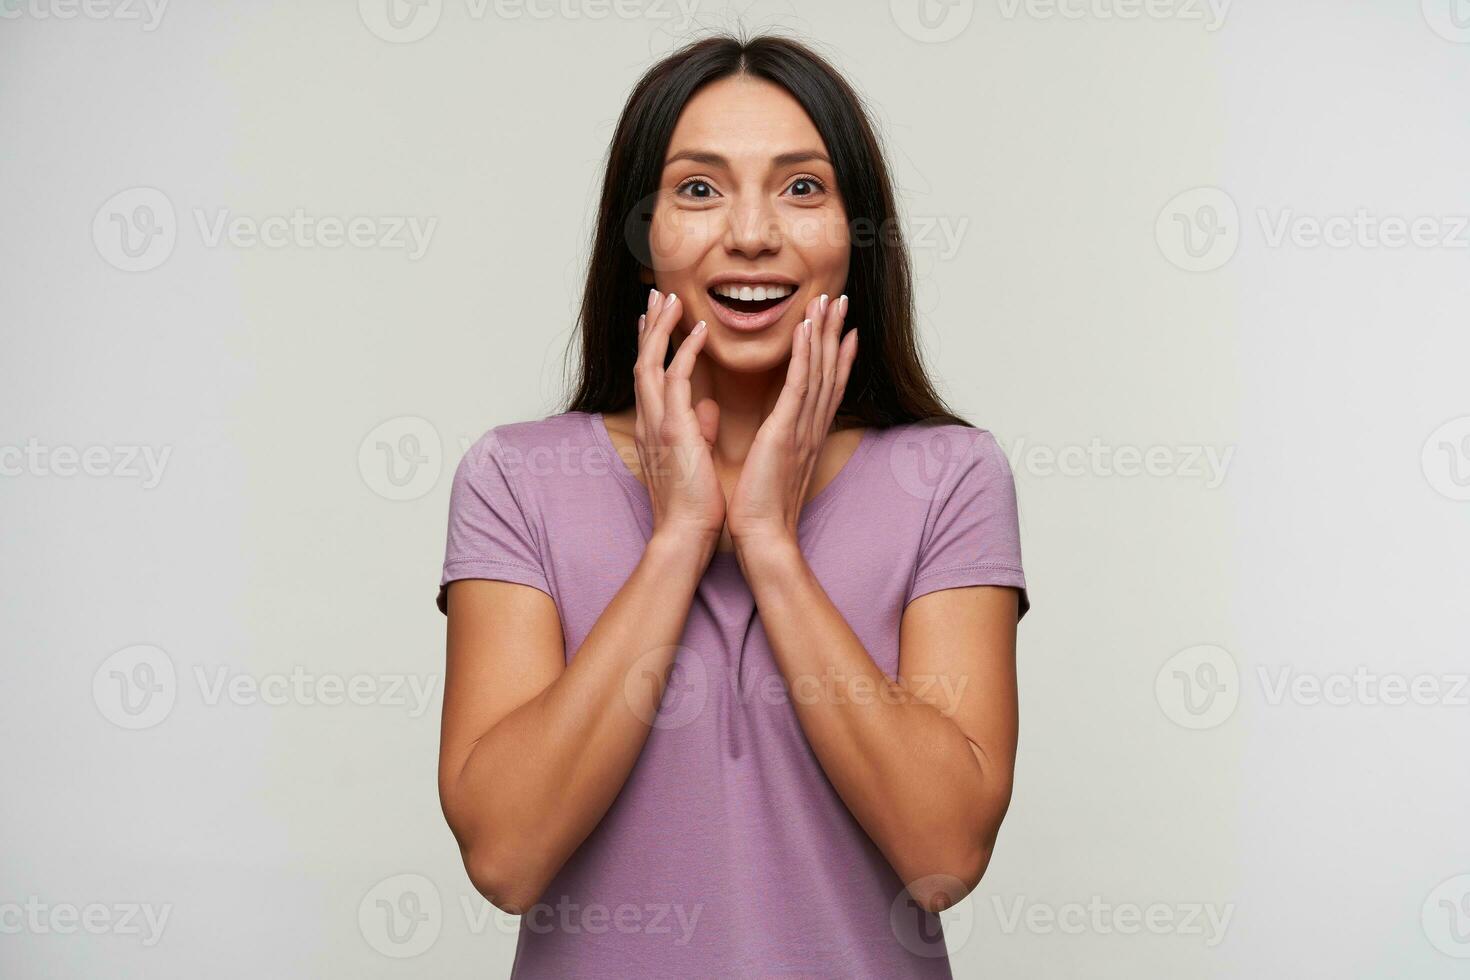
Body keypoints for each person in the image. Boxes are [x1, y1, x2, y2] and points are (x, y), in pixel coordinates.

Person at [434, 31, 1029, 979]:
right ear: (640, 240)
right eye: (699, 189)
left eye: (802, 188)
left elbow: (943, 856)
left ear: (856, 235)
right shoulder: (517, 478)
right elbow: (506, 858)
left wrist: (768, 543)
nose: (752, 234)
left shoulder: (949, 477)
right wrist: (679, 539)